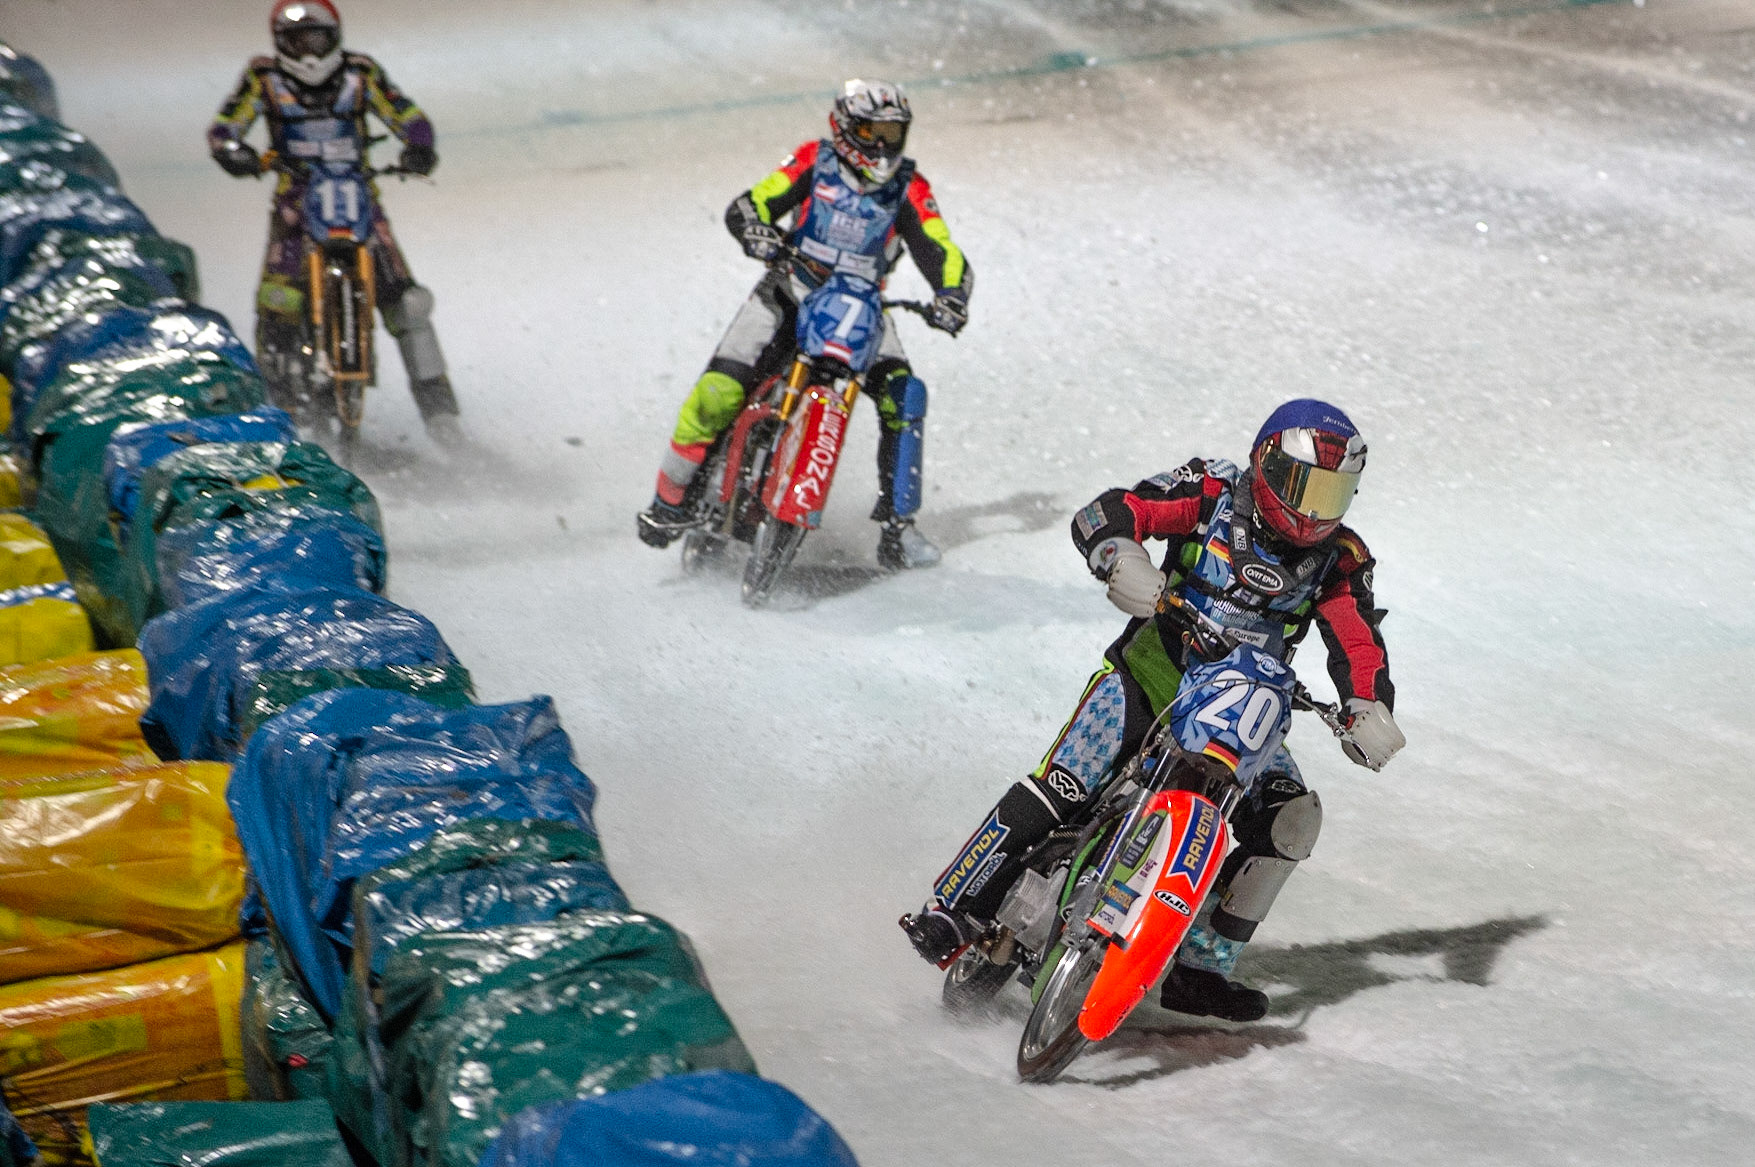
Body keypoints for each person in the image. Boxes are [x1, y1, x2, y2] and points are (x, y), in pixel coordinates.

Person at [901, 399, 1406, 1021]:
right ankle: (955, 906)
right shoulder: (1215, 491)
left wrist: (1367, 705)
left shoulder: (1341, 559)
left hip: (1243, 707)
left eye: (1334, 492)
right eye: (1306, 486)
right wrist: (1124, 558)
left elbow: (1357, 639)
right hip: (1151, 679)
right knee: (1066, 785)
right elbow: (1108, 513)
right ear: (1266, 466)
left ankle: (1200, 968)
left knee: (1292, 819)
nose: (1315, 509)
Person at [636, 79, 972, 571]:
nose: (880, 146)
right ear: (843, 129)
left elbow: (941, 249)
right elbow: (752, 203)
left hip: (861, 309)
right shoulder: (813, 162)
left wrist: (952, 296)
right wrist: (755, 230)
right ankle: (670, 500)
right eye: (869, 131)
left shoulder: (910, 187)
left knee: (905, 395)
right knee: (717, 393)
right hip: (789, 291)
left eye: (891, 133)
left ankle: (899, 530)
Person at [207, 0, 461, 442]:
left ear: (334, 36)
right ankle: (284, 404)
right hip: (296, 203)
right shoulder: (263, 78)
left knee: (409, 302)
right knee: (277, 302)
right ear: (280, 42)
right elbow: (226, 126)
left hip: (359, 197)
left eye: (316, 37)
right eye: (296, 39)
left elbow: (408, 115)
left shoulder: (360, 74)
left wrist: (419, 147)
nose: (308, 48)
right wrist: (235, 153)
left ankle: (440, 414)